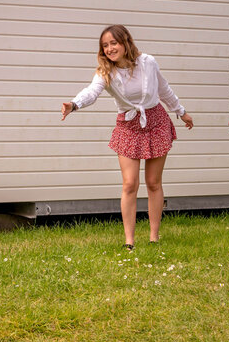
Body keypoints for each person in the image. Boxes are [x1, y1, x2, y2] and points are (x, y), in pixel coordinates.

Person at [61, 25, 193, 250]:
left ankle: (154, 237)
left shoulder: (148, 62)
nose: (110, 48)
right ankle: (129, 241)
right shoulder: (105, 72)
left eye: (114, 43)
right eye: (105, 45)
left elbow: (163, 89)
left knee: (153, 183)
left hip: (156, 121)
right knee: (130, 184)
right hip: (128, 125)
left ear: (125, 43)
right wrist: (74, 104)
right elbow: (92, 92)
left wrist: (180, 111)